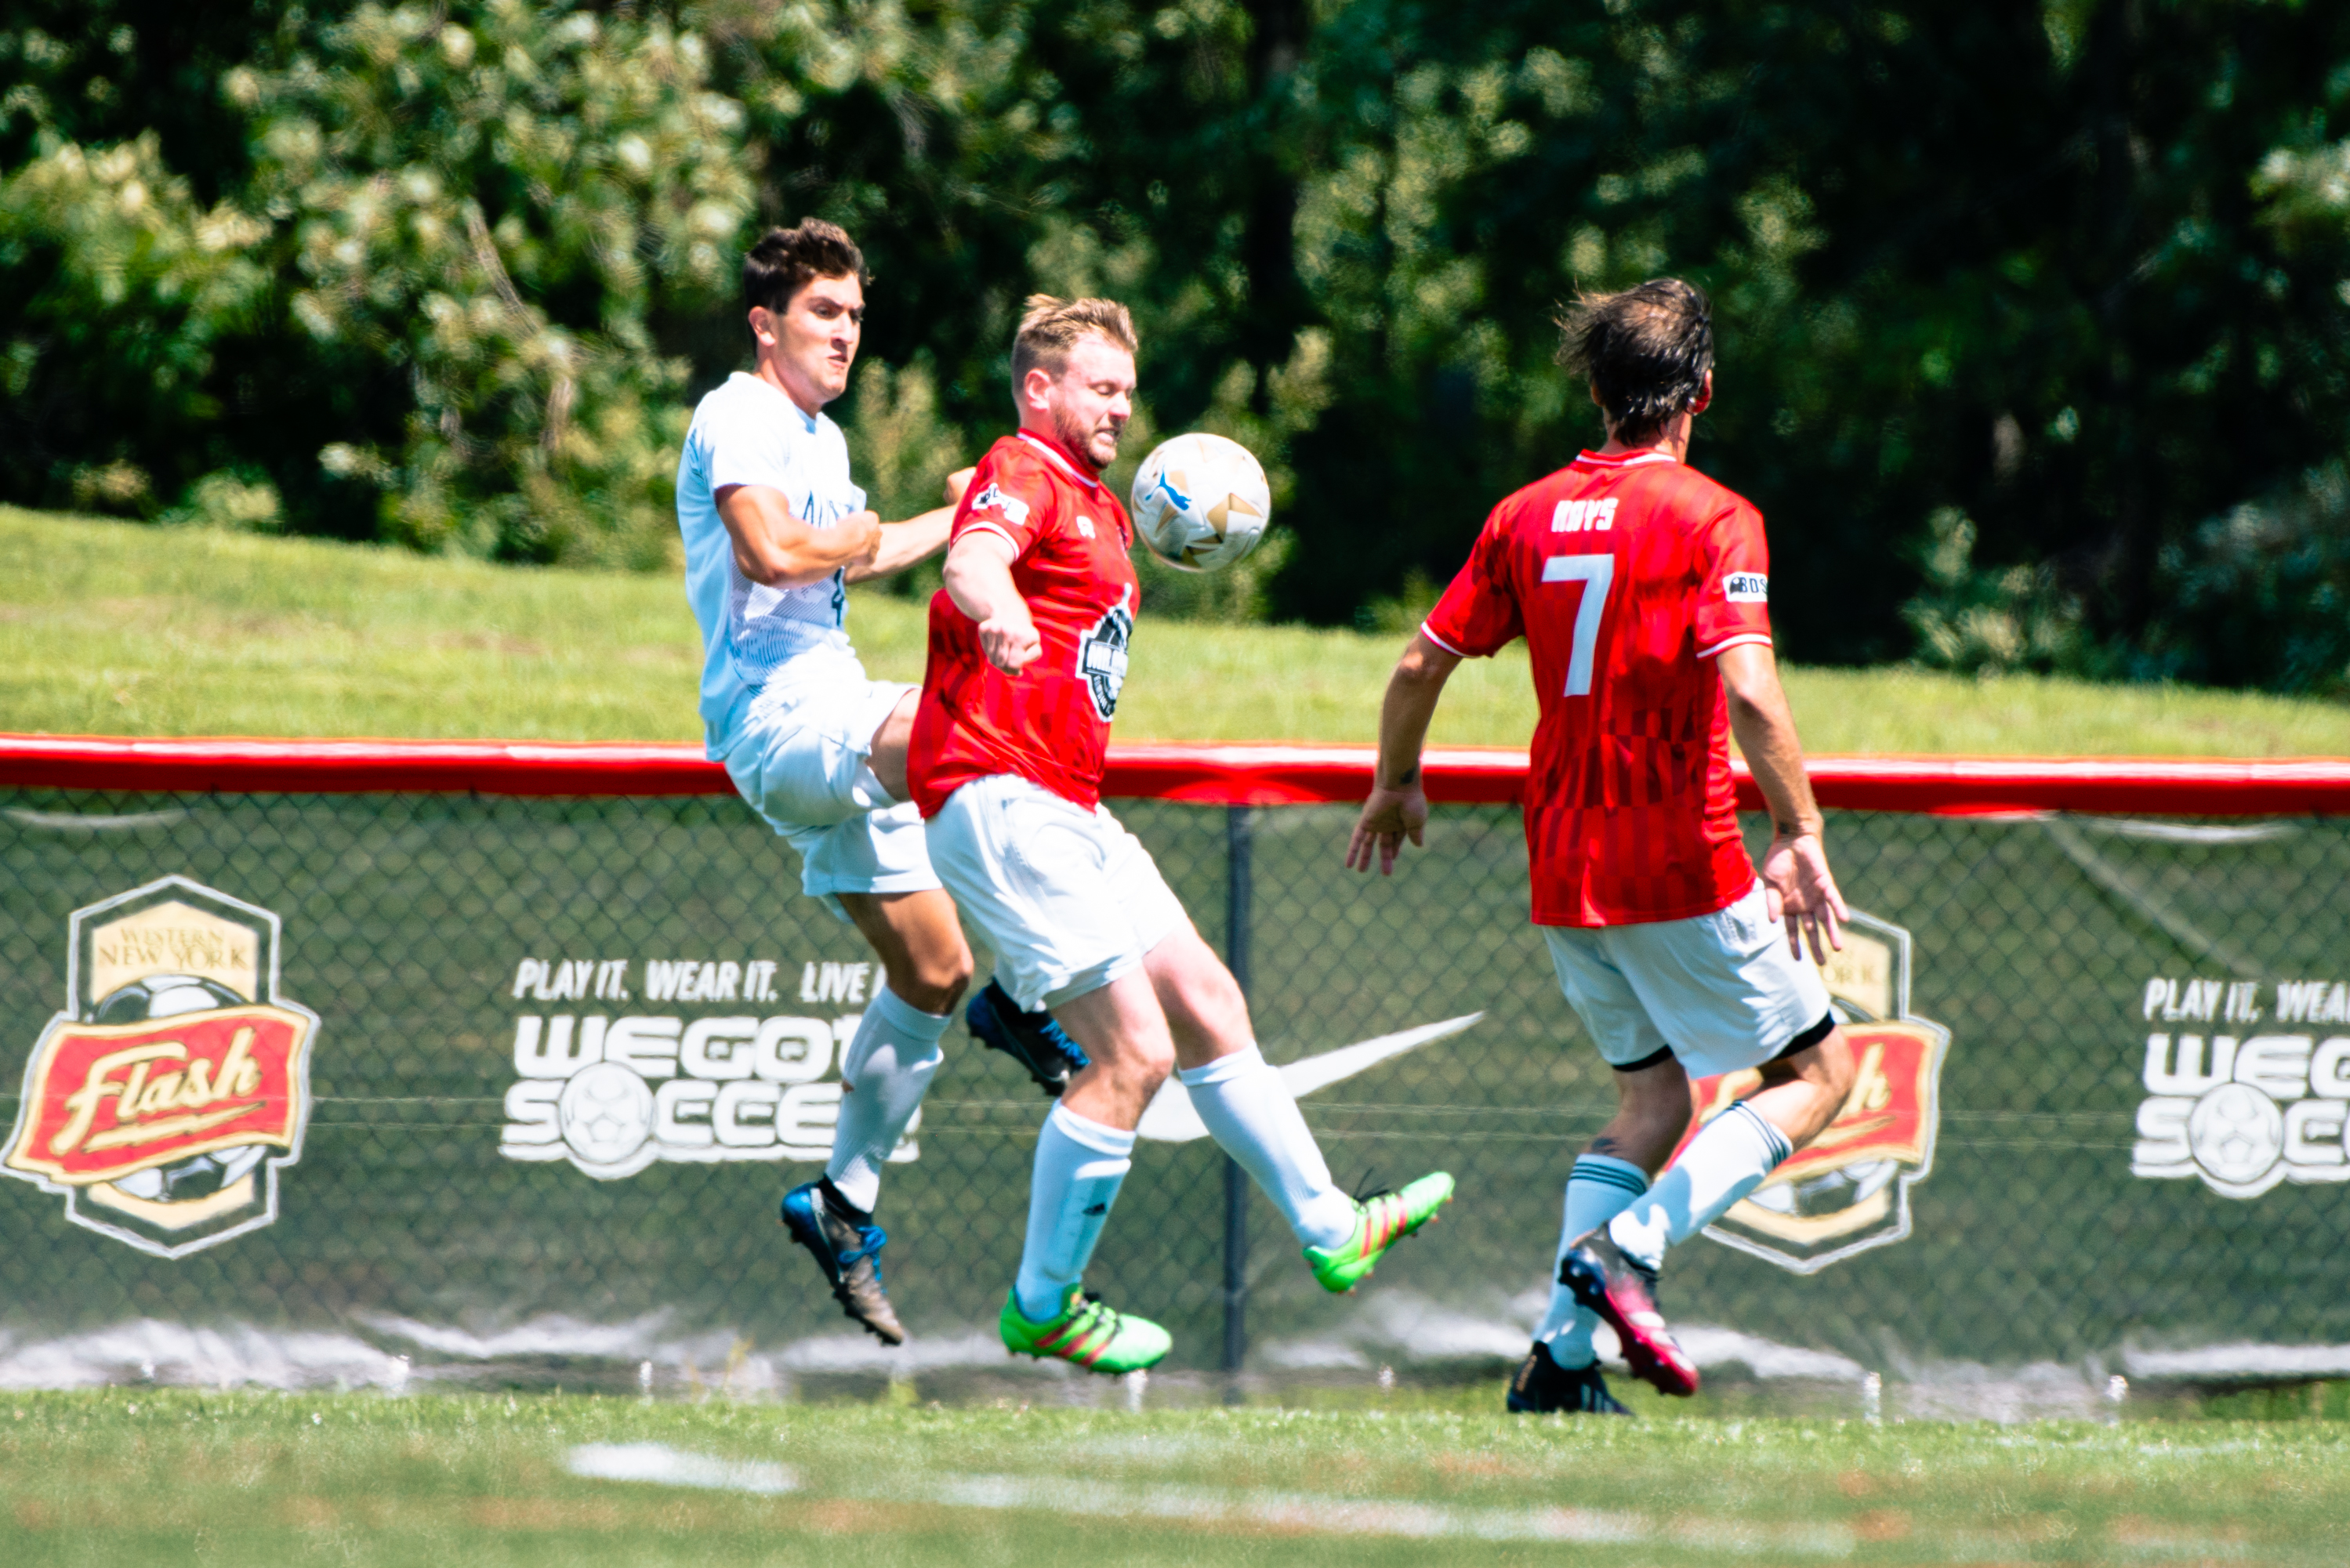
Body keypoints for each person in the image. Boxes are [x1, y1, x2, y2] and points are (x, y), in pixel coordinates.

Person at [908, 294, 1457, 1374]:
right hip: (999, 791)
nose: (1121, 406)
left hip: (1066, 799)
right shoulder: (1020, 467)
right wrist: (996, 607)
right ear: (1039, 390)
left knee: (1207, 1002)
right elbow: (973, 560)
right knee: (1135, 1053)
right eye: (1099, 386)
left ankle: (1328, 1225)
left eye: (1126, 387)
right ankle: (1043, 1302)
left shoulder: (1098, 504)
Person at [1347, 278, 1856, 1414]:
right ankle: (1632, 1248)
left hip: (1562, 865)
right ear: (1702, 393)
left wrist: (1393, 783)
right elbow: (1751, 689)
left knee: (1653, 1101)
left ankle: (1558, 1362)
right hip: (1674, 853)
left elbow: (1418, 663)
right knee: (1819, 1073)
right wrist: (1799, 827)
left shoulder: (1522, 511)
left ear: (1594, 390)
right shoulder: (1712, 513)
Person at [674, 220, 1079, 1349]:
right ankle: (1035, 997)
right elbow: (767, 549)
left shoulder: (819, 435)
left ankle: (841, 1202)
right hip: (784, 716)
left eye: (854, 316)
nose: (844, 333)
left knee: (933, 965)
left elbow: (873, 545)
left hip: (830, 713)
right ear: (766, 323)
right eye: (821, 313)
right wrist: (849, 535)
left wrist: (980, 507)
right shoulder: (741, 413)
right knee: (981, 728)